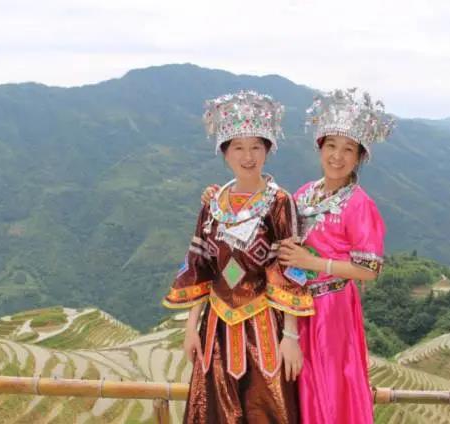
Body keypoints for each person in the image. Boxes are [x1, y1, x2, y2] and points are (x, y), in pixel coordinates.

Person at [163, 90, 314, 423]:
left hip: (265, 331)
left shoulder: (279, 202)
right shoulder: (213, 203)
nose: (248, 157)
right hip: (215, 328)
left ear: (268, 150)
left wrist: (291, 337)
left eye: (256, 147)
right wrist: (191, 328)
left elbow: (287, 269)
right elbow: (201, 267)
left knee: (269, 409)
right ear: (225, 153)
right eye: (238, 148)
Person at [278, 88, 393, 424]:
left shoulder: (360, 205)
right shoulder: (303, 194)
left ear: (359, 157)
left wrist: (314, 263)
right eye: (331, 146)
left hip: (333, 310)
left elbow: (369, 269)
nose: (337, 156)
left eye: (348, 150)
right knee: (296, 389)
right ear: (320, 148)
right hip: (296, 306)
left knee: (330, 388)